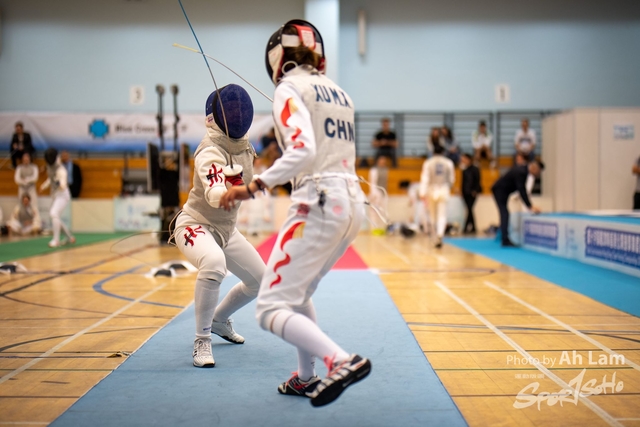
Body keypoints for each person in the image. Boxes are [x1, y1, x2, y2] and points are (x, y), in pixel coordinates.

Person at [221, 19, 371, 407]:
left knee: (269, 308)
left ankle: (340, 360)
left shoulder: (288, 88)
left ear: (277, 58)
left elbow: (303, 150)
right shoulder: (341, 94)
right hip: (353, 205)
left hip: (317, 203)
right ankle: (306, 378)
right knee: (299, 292)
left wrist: (252, 187)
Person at [171, 84, 265, 368]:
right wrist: (234, 188)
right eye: (232, 111)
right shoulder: (209, 151)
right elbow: (215, 196)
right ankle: (202, 340)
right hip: (195, 224)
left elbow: (250, 180)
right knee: (213, 263)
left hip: (225, 231)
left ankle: (219, 320)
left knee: (260, 280)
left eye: (240, 110)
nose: (238, 115)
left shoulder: (244, 146)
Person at [491, 161, 543, 247]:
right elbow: (522, 189)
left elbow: (521, 189)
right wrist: (530, 206)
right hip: (499, 190)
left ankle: (504, 237)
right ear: (534, 168)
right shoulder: (521, 172)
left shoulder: (523, 170)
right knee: (505, 213)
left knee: (504, 213)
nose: (538, 174)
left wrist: (529, 205)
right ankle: (505, 239)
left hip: (503, 191)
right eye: (538, 172)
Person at [419, 144, 455, 248]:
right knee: (442, 214)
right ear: (443, 152)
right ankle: (440, 234)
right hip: (443, 189)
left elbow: (425, 179)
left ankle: (435, 236)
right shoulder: (448, 162)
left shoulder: (428, 162)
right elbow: (452, 180)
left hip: (431, 190)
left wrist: (422, 192)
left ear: (433, 152)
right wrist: (447, 186)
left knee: (432, 215)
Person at [40, 148, 75, 248]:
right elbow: (50, 178)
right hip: (55, 195)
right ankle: (69, 237)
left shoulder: (61, 170)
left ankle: (56, 240)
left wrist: (58, 182)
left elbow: (63, 185)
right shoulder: (50, 166)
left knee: (53, 213)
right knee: (56, 217)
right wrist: (43, 186)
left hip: (63, 195)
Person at [368, 155, 389, 232]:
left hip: (383, 193)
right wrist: (373, 194)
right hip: (375, 193)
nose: (383, 163)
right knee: (374, 211)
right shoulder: (374, 170)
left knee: (382, 211)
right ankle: (374, 228)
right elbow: (372, 183)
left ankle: (381, 228)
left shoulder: (386, 170)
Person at [460, 153, 481, 234]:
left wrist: (475, 190)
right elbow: (463, 182)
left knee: (469, 209)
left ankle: (466, 227)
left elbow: (477, 180)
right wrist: (462, 191)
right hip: (465, 192)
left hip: (472, 192)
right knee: (469, 209)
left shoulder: (475, 169)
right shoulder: (464, 170)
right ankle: (473, 227)